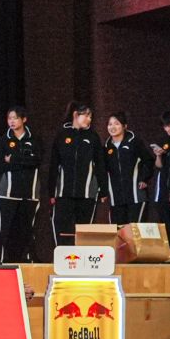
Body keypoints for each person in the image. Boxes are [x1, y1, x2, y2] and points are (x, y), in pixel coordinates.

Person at [0, 106, 41, 264]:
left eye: (15, 118)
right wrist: (24, 160)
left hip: (29, 193)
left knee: (27, 230)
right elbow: (0, 165)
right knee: (2, 229)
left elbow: (36, 161)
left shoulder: (34, 139)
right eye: (9, 118)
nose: (12, 121)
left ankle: (28, 260)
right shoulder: (3, 140)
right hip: (7, 193)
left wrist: (12, 159)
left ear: (24, 119)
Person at [48, 103, 100, 247]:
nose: (89, 119)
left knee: (84, 231)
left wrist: (103, 190)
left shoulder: (93, 137)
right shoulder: (62, 135)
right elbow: (54, 164)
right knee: (61, 227)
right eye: (86, 115)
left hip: (86, 194)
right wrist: (51, 191)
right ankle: (62, 255)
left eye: (91, 116)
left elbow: (100, 164)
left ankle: (83, 257)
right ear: (76, 115)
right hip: (64, 193)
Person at [104, 112, 149, 225]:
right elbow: (103, 170)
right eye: (110, 124)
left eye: (116, 123)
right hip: (116, 198)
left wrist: (144, 179)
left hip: (135, 196)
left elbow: (148, 161)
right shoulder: (106, 147)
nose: (112, 127)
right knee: (118, 232)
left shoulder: (134, 142)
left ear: (125, 126)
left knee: (135, 231)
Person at [151, 109, 170, 232]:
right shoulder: (165, 140)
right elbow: (159, 166)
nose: (167, 129)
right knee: (165, 216)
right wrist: (159, 155)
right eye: (164, 126)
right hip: (166, 184)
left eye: (169, 125)